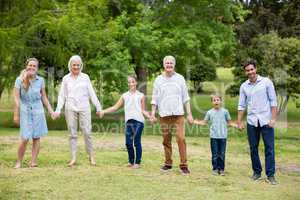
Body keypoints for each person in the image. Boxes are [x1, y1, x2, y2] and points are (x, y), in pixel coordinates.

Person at [52, 55, 102, 166]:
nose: (76, 67)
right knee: (72, 133)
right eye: (74, 65)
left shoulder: (85, 77)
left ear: (81, 66)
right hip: (70, 108)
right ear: (70, 65)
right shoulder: (66, 78)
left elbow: (91, 93)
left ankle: (91, 156)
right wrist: (58, 109)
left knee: (87, 132)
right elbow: (62, 96)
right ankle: (73, 158)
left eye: (78, 65)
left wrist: (98, 107)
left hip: (84, 107)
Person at [237, 59, 278, 185]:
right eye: (247, 70)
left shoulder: (266, 82)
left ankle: (270, 175)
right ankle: (257, 172)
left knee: (269, 148)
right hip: (252, 121)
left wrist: (273, 118)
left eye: (252, 69)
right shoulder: (244, 86)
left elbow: (273, 101)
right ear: (245, 72)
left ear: (256, 69)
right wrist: (239, 122)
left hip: (266, 121)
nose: (250, 72)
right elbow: (241, 105)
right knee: (253, 148)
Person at [150, 55, 193, 175]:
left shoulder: (180, 78)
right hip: (164, 115)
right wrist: (153, 114)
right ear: (164, 65)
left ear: (174, 65)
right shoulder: (158, 80)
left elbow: (186, 98)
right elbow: (155, 98)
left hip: (178, 115)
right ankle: (168, 163)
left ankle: (184, 165)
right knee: (166, 140)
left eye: (171, 63)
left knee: (181, 138)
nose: (169, 65)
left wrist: (189, 114)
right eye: (167, 63)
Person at [100, 75, 151, 169]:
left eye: (132, 81)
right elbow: (115, 107)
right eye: (129, 82)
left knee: (136, 141)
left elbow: (143, 110)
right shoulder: (124, 96)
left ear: (136, 83)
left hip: (139, 121)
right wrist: (104, 111)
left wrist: (150, 117)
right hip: (129, 122)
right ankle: (131, 162)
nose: (131, 83)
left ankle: (137, 163)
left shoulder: (141, 96)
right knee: (128, 143)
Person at [13, 58, 54, 168]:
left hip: (38, 109)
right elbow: (16, 98)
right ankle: (19, 162)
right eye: (30, 65)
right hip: (25, 109)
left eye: (34, 66)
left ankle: (33, 161)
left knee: (36, 136)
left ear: (37, 68)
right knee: (25, 137)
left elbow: (44, 97)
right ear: (27, 66)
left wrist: (51, 111)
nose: (31, 67)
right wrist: (16, 114)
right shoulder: (19, 80)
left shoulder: (40, 80)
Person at [194, 94, 237, 176]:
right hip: (214, 136)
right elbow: (204, 122)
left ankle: (221, 169)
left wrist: (237, 126)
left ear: (220, 101)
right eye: (214, 100)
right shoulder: (209, 112)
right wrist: (195, 122)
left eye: (217, 100)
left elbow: (230, 123)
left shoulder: (225, 111)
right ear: (212, 102)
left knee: (222, 154)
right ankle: (215, 169)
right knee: (215, 154)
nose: (216, 101)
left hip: (223, 136)